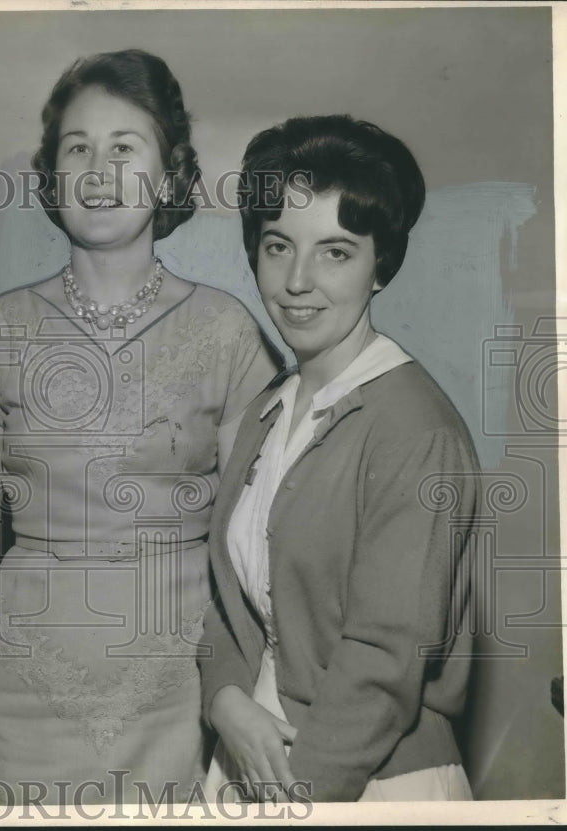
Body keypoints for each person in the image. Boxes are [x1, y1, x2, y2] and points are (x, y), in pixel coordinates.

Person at [0, 49, 277, 805]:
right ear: (52, 178)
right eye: (77, 148)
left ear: (168, 175)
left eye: (125, 148)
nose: (98, 170)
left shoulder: (228, 334)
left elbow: (246, 540)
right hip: (23, 692)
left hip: (178, 686)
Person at [199, 115, 480, 803]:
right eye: (277, 246)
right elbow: (223, 601)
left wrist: (301, 797)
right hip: (251, 766)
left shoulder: (415, 430)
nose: (297, 281)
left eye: (335, 251)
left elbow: (385, 661)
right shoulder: (270, 408)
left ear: (380, 263)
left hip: (360, 783)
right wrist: (226, 702)